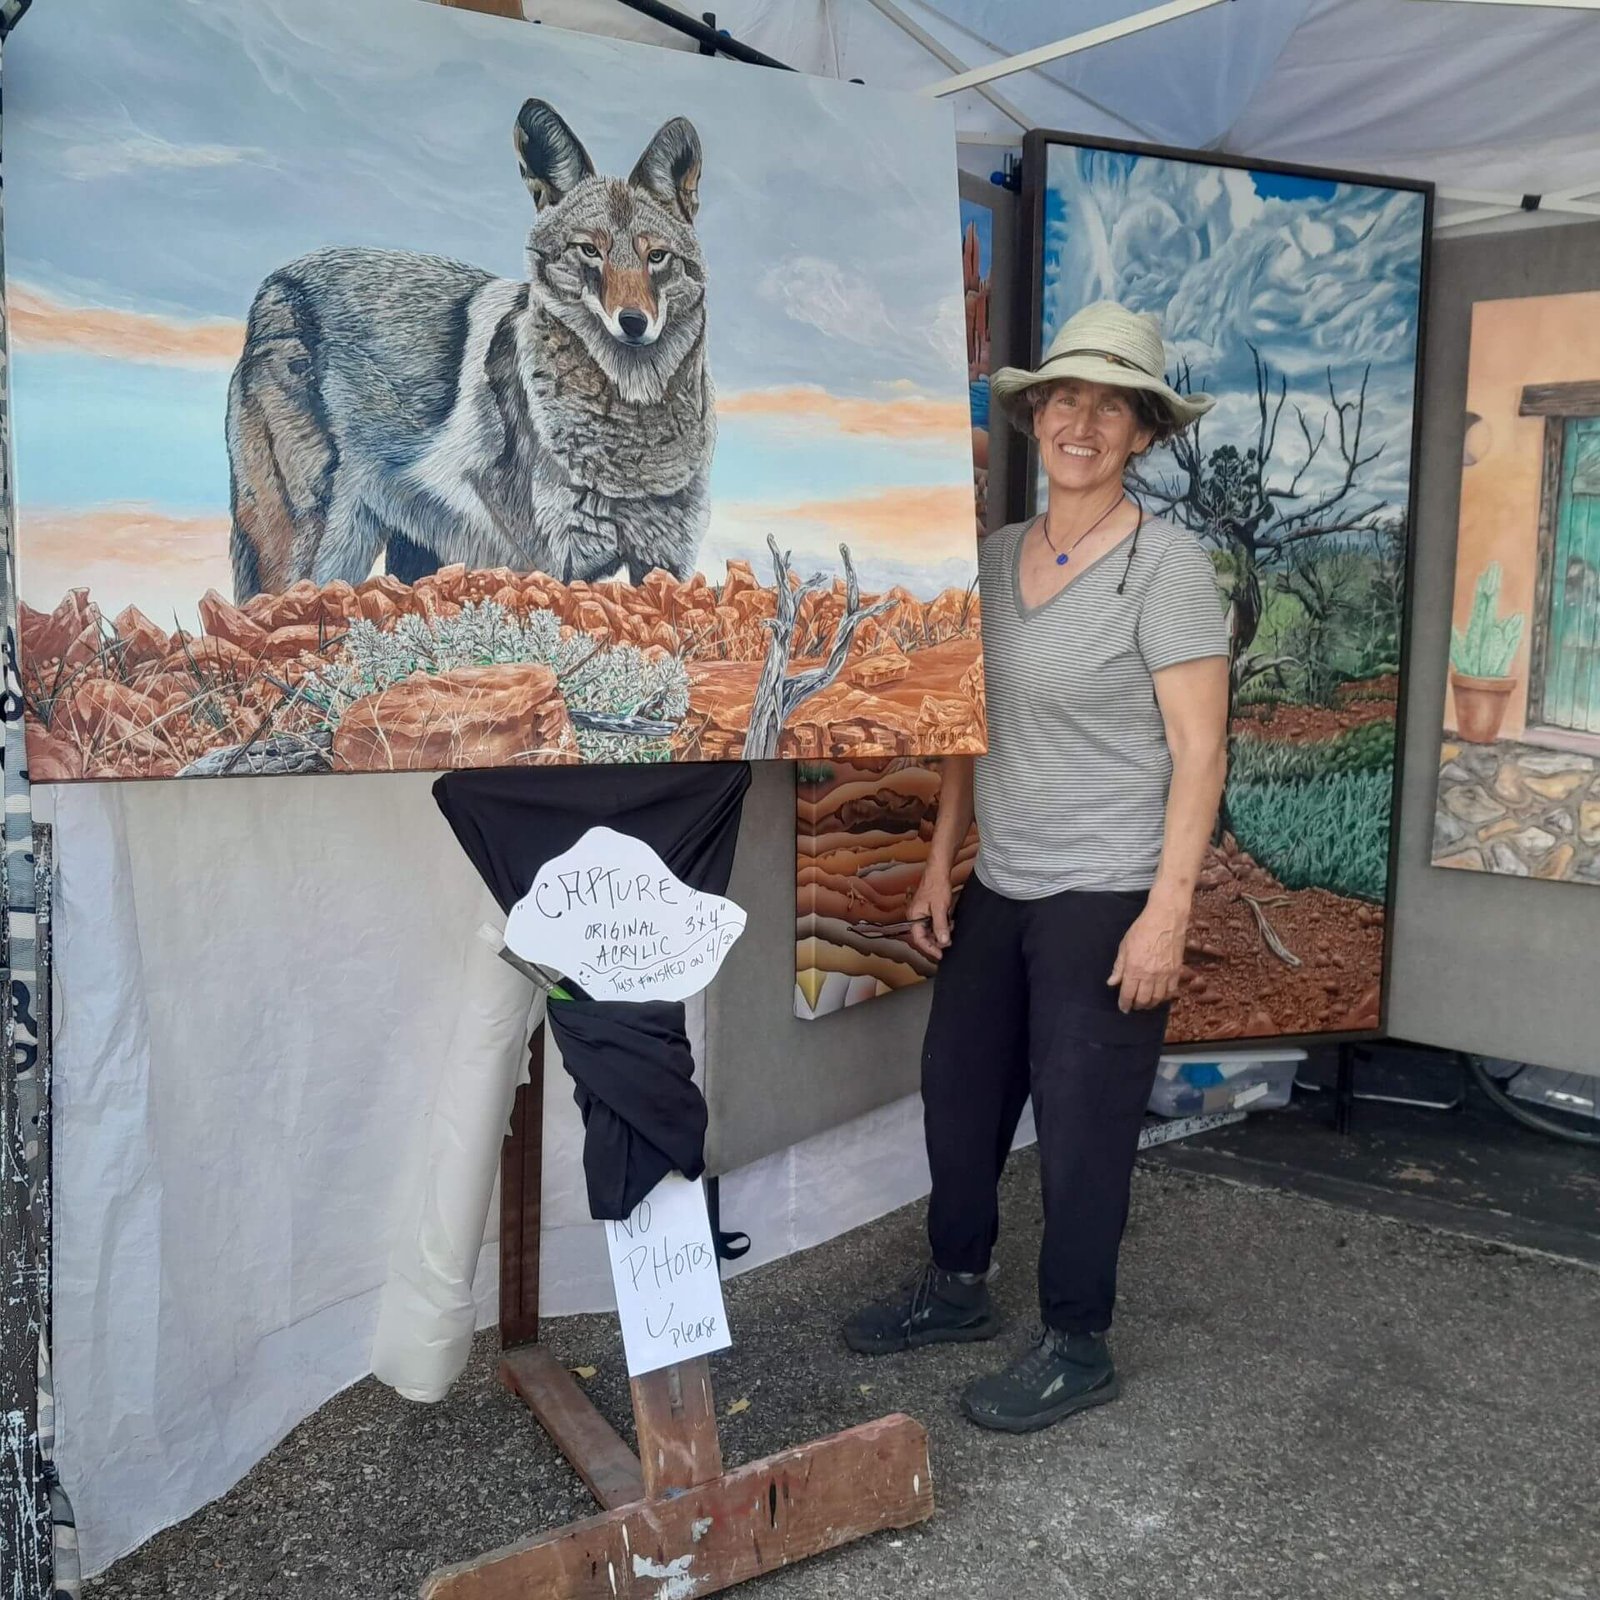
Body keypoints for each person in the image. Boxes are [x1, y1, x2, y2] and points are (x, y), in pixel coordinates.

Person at [843, 300, 1231, 1434]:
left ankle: (1076, 1339)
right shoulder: (992, 558)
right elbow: (973, 727)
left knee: (1080, 1123)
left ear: (1143, 433)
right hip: (1002, 881)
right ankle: (957, 1289)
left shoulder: (1168, 568)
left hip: (1105, 888)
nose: (1084, 420)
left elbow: (1201, 755)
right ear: (1033, 416)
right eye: (1066, 396)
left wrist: (1164, 917)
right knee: (958, 1100)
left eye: (1114, 405)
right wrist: (937, 861)